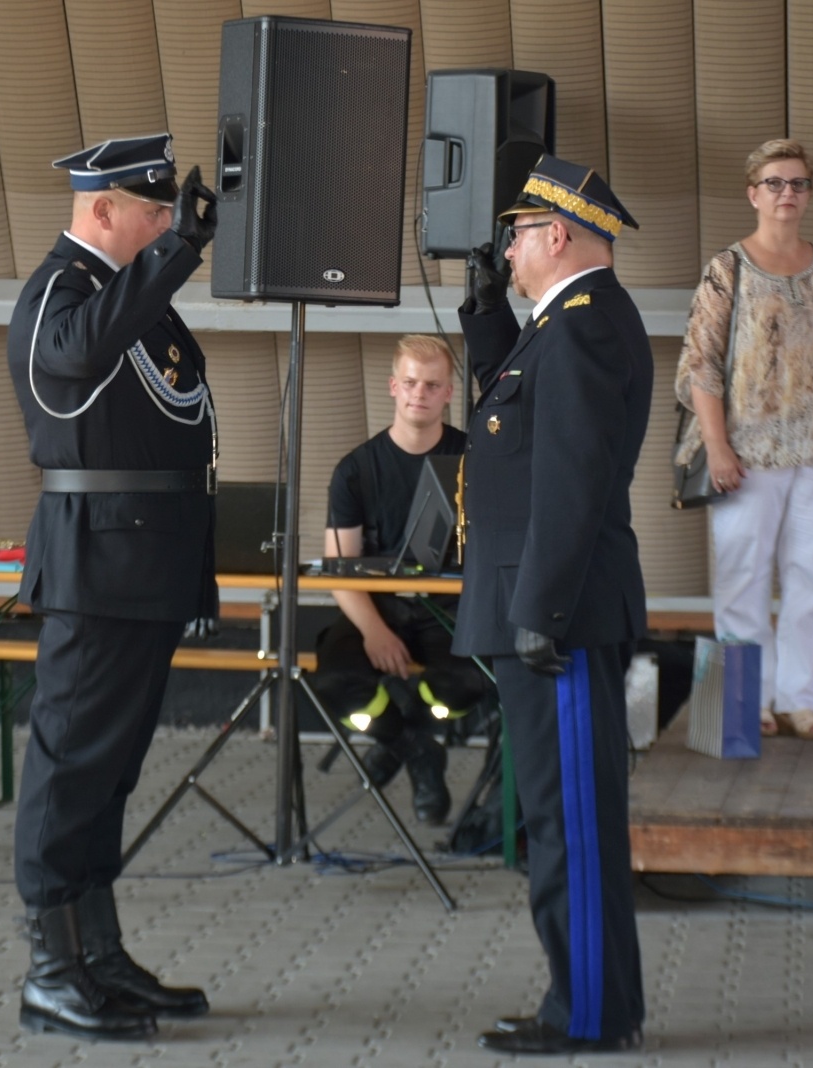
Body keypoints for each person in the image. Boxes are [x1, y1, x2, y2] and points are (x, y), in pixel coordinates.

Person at [4, 133, 219, 1042]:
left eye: (169, 213)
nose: (166, 222)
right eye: (154, 210)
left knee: (111, 771)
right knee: (70, 767)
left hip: (147, 562)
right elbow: (73, 356)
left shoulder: (129, 298)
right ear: (104, 212)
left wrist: (166, 257)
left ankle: (97, 952)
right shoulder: (63, 291)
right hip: (97, 563)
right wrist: (177, 256)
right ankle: (51, 971)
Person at [457, 155, 652, 1055]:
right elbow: (515, 420)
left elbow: (569, 481)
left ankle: (587, 1015)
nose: (508, 248)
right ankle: (594, 1001)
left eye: (517, 235)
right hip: (547, 607)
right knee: (559, 816)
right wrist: (485, 309)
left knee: (568, 824)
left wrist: (541, 606)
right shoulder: (567, 323)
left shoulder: (583, 328)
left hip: (556, 616)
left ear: (558, 235)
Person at [674, 138, 813, 741]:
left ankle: (800, 701)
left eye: (798, 183)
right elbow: (700, 365)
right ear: (753, 193)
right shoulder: (727, 268)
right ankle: (743, 704)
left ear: (809, 193)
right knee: (742, 575)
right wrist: (717, 446)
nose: (787, 194)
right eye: (775, 183)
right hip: (746, 451)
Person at [315, 333, 486, 825]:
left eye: (433, 385)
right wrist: (374, 631)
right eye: (410, 382)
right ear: (392, 386)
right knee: (335, 679)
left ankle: (408, 731)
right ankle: (415, 748)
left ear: (449, 393)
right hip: (377, 610)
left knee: (469, 681)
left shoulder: (475, 462)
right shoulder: (355, 471)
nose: (420, 393)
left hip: (449, 614)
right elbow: (339, 571)